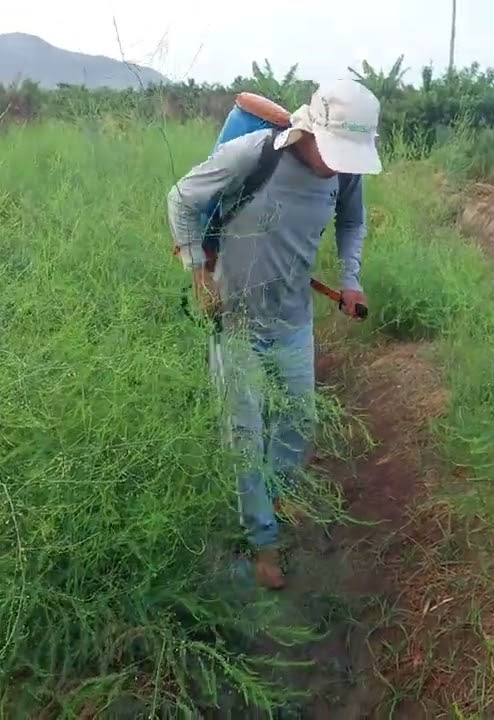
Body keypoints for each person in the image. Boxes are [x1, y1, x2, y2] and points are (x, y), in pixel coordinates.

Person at [166, 78, 383, 589]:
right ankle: (263, 542)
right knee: (244, 435)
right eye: (335, 151)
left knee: (297, 423)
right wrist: (199, 272)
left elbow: (352, 223)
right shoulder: (253, 155)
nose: (339, 164)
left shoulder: (345, 176)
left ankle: (276, 499)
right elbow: (180, 198)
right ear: (311, 131)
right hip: (235, 319)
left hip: (292, 320)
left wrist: (350, 279)